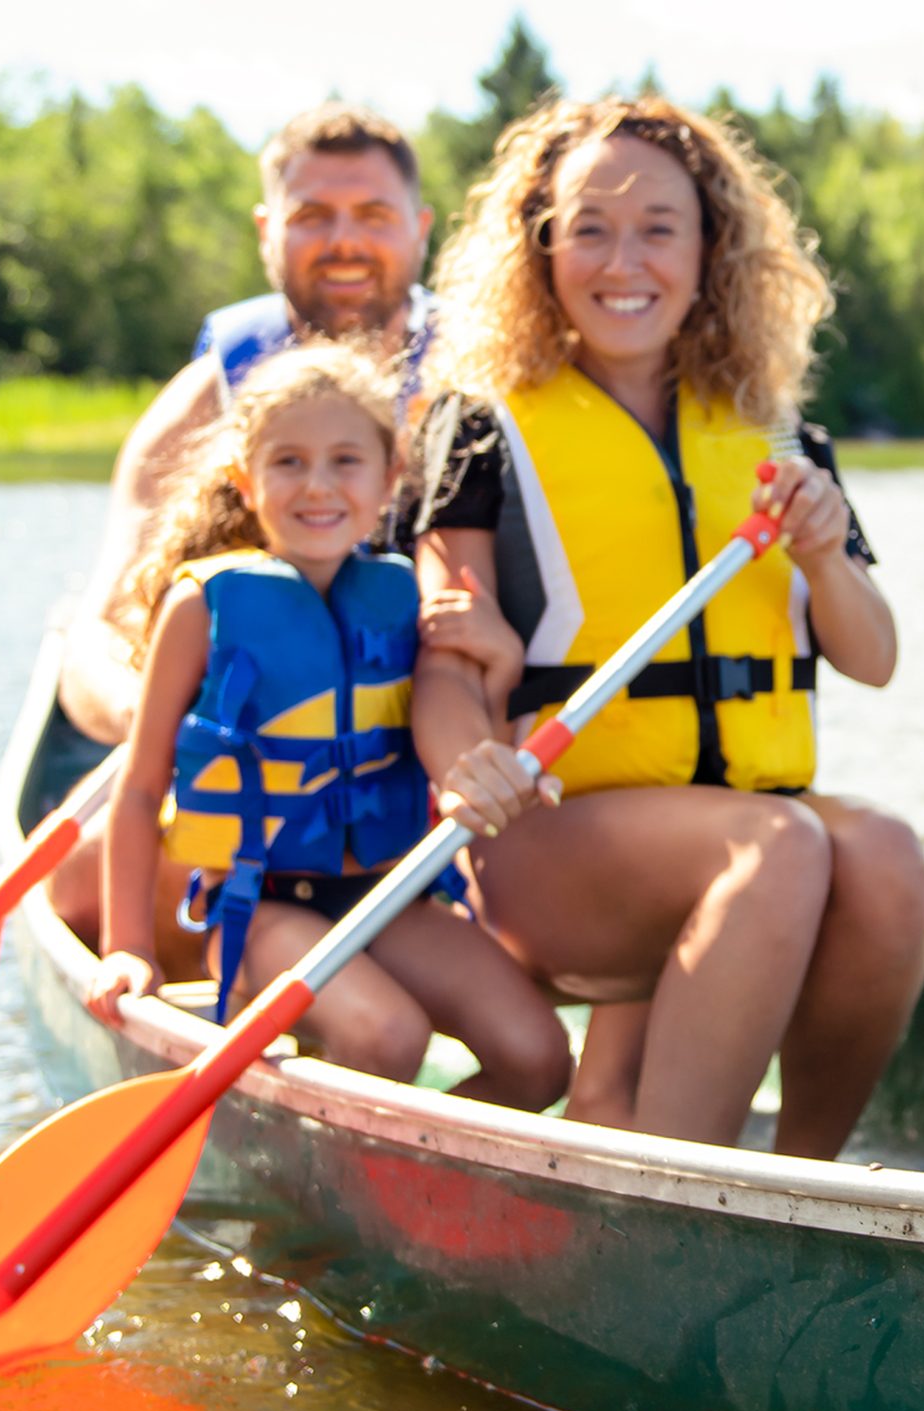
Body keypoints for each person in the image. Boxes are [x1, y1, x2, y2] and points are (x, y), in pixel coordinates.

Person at [411, 96, 924, 1158]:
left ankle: (802, 1180)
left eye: (658, 227)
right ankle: (680, 1188)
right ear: (541, 246)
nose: (624, 261)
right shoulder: (483, 428)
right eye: (589, 228)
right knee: (776, 844)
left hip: (745, 828)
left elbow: (872, 657)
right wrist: (467, 764)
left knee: (883, 854)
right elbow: (449, 657)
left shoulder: (779, 434)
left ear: (709, 249)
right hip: (555, 841)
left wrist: (823, 555)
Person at [85, 341, 570, 1108]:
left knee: (539, 1059)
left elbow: (473, 758)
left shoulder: (404, 598)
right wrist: (128, 948)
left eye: (346, 461)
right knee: (389, 1036)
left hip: (390, 895)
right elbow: (142, 788)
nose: (318, 485)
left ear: (390, 477)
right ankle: (331, 1166)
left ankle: (410, 1168)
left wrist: (503, 664)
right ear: (245, 480)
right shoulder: (201, 606)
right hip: (260, 906)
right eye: (288, 462)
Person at [51, 102, 439, 953]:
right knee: (78, 881)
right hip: (253, 791)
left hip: (419, 773)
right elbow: (95, 644)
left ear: (420, 228)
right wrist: (169, 718)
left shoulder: (480, 382)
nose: (345, 240)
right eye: (313, 215)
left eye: (373, 215)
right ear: (269, 232)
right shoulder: (205, 400)